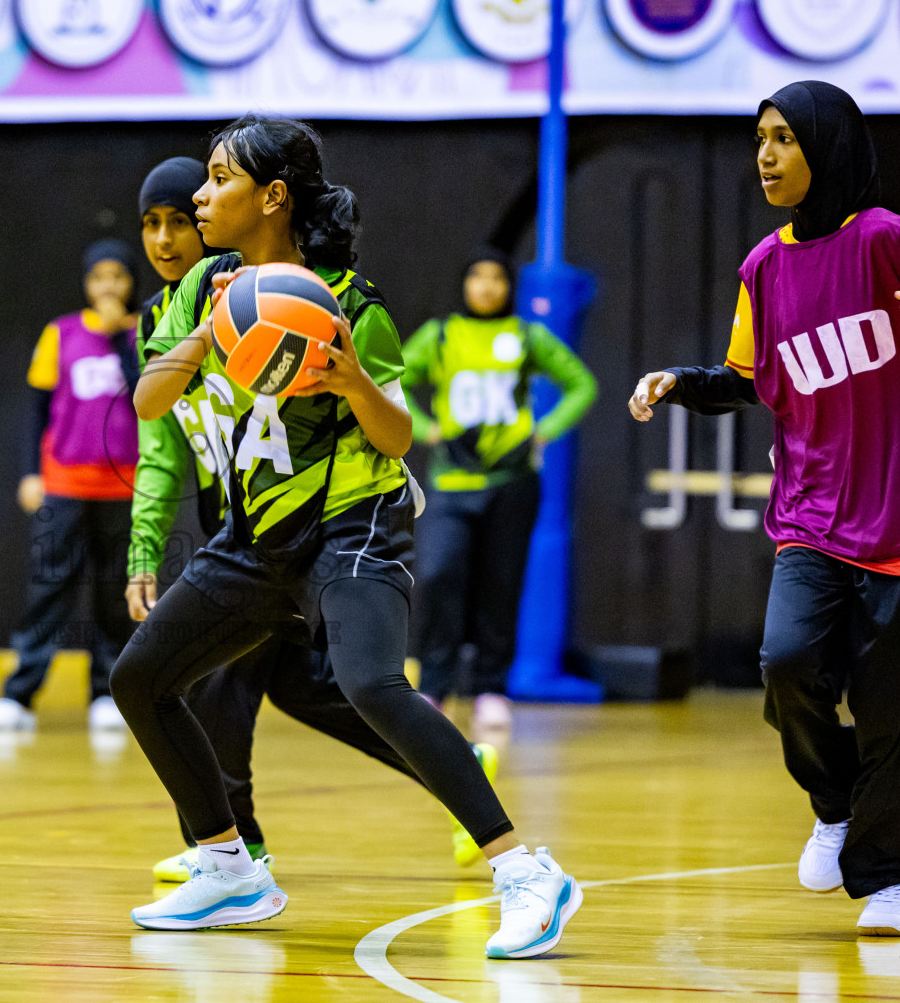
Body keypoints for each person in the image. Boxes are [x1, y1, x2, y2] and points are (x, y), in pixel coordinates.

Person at [114, 114, 580, 958]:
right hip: (257, 534)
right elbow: (149, 402)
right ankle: (228, 865)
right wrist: (206, 333)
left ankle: (527, 871)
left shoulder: (350, 305)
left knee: (369, 683)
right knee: (141, 677)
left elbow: (398, 437)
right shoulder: (201, 286)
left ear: (273, 196)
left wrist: (356, 379)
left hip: (354, 522)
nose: (203, 195)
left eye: (220, 179)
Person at [629, 80, 900, 937]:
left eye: (784, 138)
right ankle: (835, 801)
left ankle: (891, 881)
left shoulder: (891, 240)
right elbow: (745, 377)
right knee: (785, 661)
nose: (765, 155)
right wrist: (679, 383)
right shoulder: (764, 267)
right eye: (759, 138)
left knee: (892, 711)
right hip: (812, 512)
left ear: (828, 146)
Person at [128, 156, 499, 882]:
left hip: (323, 524)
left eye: (183, 216)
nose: (170, 236)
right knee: (310, 690)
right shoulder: (172, 319)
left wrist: (352, 379)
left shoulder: (308, 300)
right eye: (154, 223)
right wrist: (146, 550)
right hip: (241, 526)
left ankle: (239, 851)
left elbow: (390, 432)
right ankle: (446, 764)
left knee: (232, 687)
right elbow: (158, 444)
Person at [402, 249, 597, 734]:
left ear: (509, 286)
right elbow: (392, 379)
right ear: (464, 284)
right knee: (439, 575)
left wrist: (544, 431)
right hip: (451, 483)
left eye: (496, 278)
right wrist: (425, 429)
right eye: (477, 277)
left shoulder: (526, 336)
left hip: (512, 484)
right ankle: (434, 686)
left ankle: (491, 688)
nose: (487, 287)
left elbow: (581, 385)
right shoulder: (441, 335)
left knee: (500, 586)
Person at [0, 240, 140, 734]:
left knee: (116, 593)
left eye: (118, 276)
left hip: (125, 485)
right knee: (49, 587)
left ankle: (106, 694)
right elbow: (37, 410)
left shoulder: (147, 333)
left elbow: (146, 398)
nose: (107, 286)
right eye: (98, 277)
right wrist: (32, 473)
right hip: (66, 483)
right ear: (86, 283)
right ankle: (20, 695)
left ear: (132, 282)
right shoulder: (60, 333)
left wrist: (117, 340)